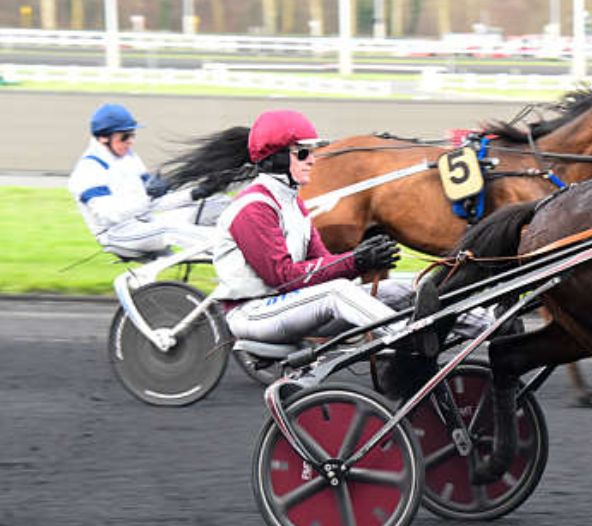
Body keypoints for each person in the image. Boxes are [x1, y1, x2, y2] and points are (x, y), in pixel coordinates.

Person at [213, 109, 488, 354]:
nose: (313, 160)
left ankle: (488, 328)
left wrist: (364, 262)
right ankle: (407, 338)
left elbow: (320, 261)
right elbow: (282, 277)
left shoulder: (293, 203)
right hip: (254, 314)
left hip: (294, 307)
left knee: (404, 289)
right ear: (277, 159)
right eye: (304, 153)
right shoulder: (253, 207)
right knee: (338, 292)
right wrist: (355, 261)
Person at [67, 103, 228, 259]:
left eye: (132, 135)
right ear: (103, 137)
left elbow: (153, 203)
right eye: (125, 137)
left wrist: (196, 193)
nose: (131, 141)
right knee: (171, 229)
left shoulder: (129, 158)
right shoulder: (88, 170)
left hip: (146, 222)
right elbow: (111, 216)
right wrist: (148, 195)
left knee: (219, 203)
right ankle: (230, 253)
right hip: (119, 234)